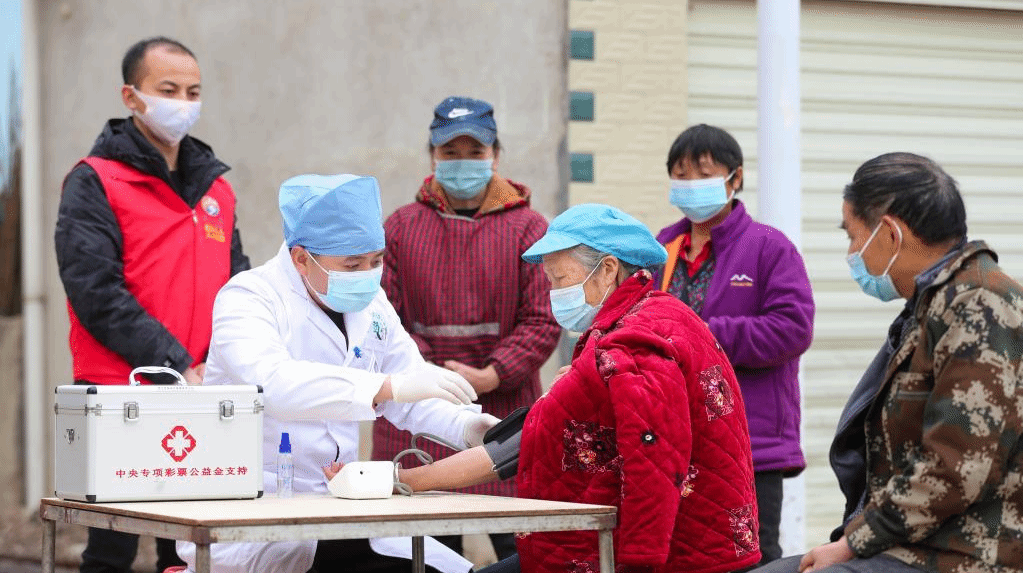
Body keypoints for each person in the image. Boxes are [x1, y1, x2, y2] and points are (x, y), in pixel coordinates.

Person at [360, 204, 762, 573]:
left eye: (561, 278)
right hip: (680, 545)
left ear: (607, 269)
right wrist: (406, 479)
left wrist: (639, 566)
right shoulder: (656, 318)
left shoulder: (633, 344)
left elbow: (654, 460)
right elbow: (526, 439)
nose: (554, 293)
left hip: (663, 555)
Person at [175, 173, 499, 573]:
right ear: (300, 257)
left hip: (343, 503)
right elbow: (275, 386)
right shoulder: (249, 298)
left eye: (376, 261)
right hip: (258, 508)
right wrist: (385, 386)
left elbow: (409, 388)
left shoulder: (372, 303)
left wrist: (467, 427)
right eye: (352, 264)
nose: (366, 274)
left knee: (456, 569)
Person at [753, 152, 1023, 573]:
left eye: (854, 236)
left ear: (891, 235)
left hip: (966, 553)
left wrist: (852, 543)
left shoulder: (979, 306)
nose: (852, 252)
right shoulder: (933, 305)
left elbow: (954, 470)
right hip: (911, 541)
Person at [54, 36, 250, 573]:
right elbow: (95, 291)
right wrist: (177, 363)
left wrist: (226, 358)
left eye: (193, 91)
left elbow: (239, 289)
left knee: (186, 545)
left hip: (203, 393)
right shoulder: (95, 181)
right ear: (132, 96)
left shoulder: (217, 191)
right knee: (113, 547)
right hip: (122, 394)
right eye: (168, 90)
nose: (183, 102)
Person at [372, 95, 561, 559]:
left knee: (522, 544)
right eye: (449, 153)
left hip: (506, 405)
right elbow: (383, 317)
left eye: (474, 153)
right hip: (415, 410)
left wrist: (491, 375)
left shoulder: (530, 228)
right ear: (432, 157)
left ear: (495, 155)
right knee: (420, 546)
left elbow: (542, 317)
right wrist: (428, 377)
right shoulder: (399, 227)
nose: (462, 163)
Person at [655, 124, 815, 563]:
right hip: (677, 440)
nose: (690, 185)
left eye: (703, 174)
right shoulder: (660, 248)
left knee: (753, 555)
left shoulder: (769, 248)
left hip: (751, 442)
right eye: (680, 175)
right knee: (685, 556)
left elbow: (793, 328)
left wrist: (706, 333)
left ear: (735, 178)